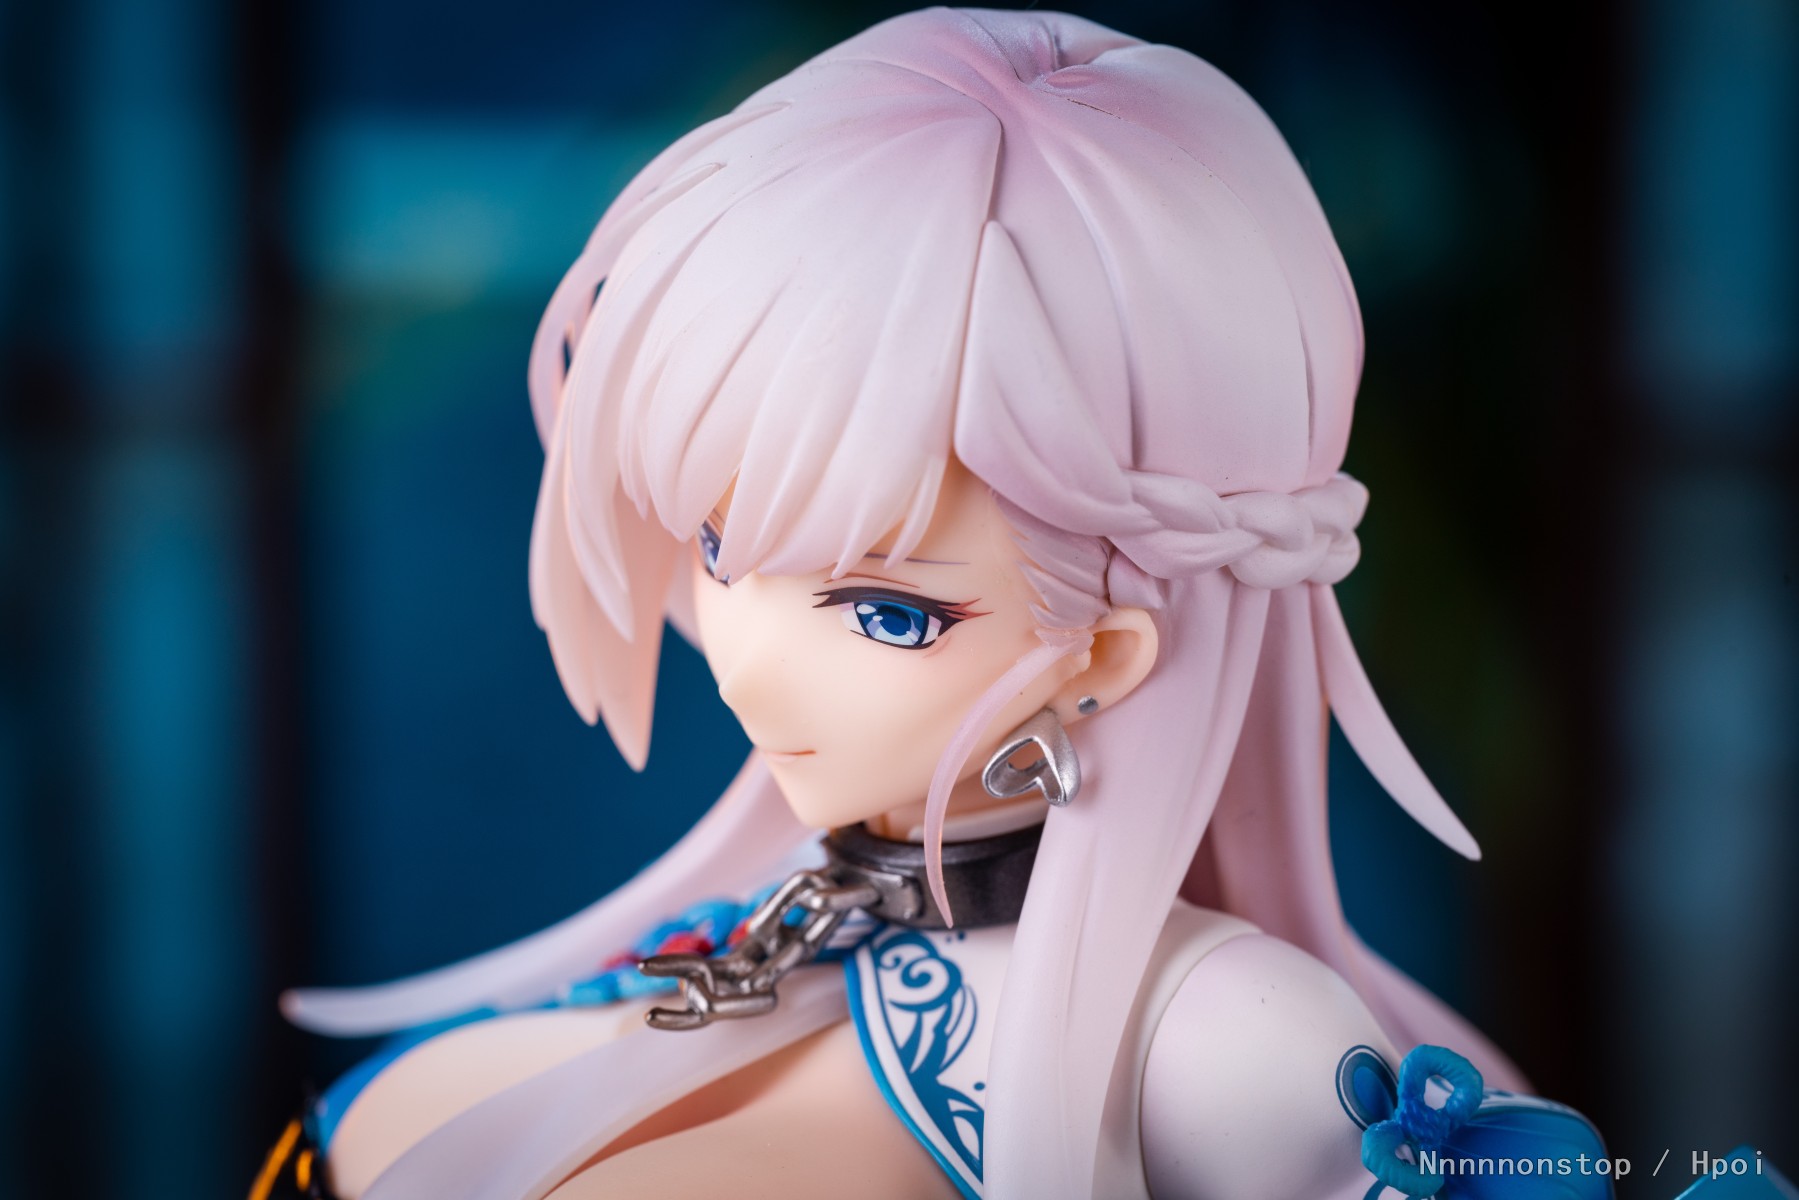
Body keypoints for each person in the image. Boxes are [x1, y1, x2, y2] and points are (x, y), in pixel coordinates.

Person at [255, 9, 1616, 1198]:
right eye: (719, 547)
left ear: (1106, 655)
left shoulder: (1223, 1041)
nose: (745, 661)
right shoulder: (764, 928)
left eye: (886, 613)